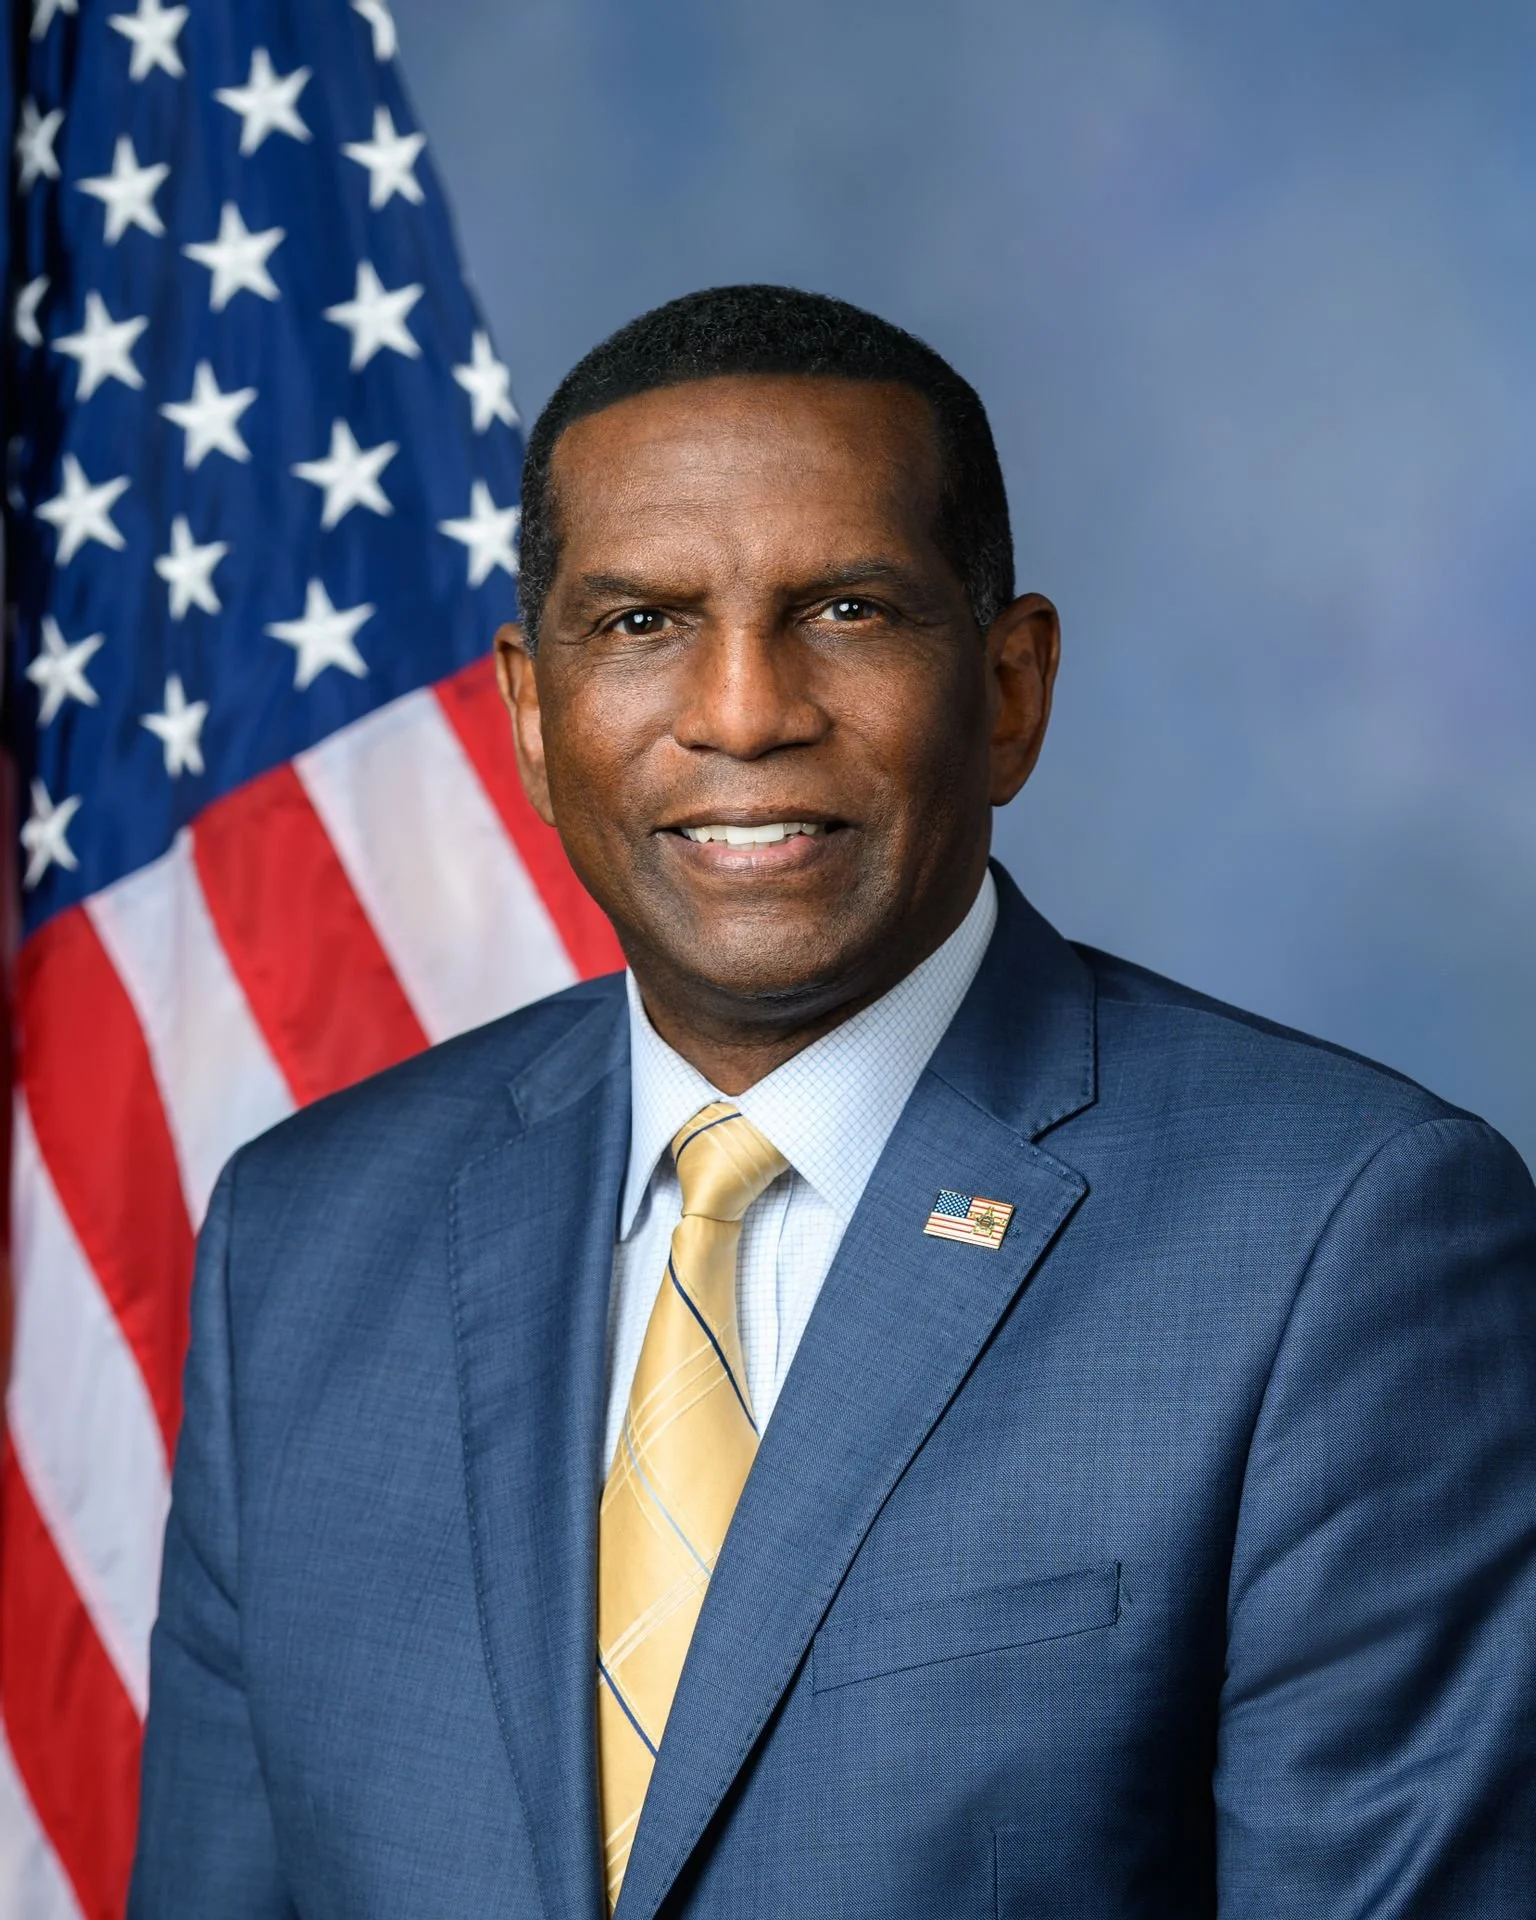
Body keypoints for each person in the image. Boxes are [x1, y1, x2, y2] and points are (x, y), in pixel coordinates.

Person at [130, 285, 1536, 1920]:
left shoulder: (1345, 1239)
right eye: (641, 622)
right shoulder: (301, 1235)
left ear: (1010, 688)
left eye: (848, 611)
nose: (743, 712)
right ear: (528, 711)